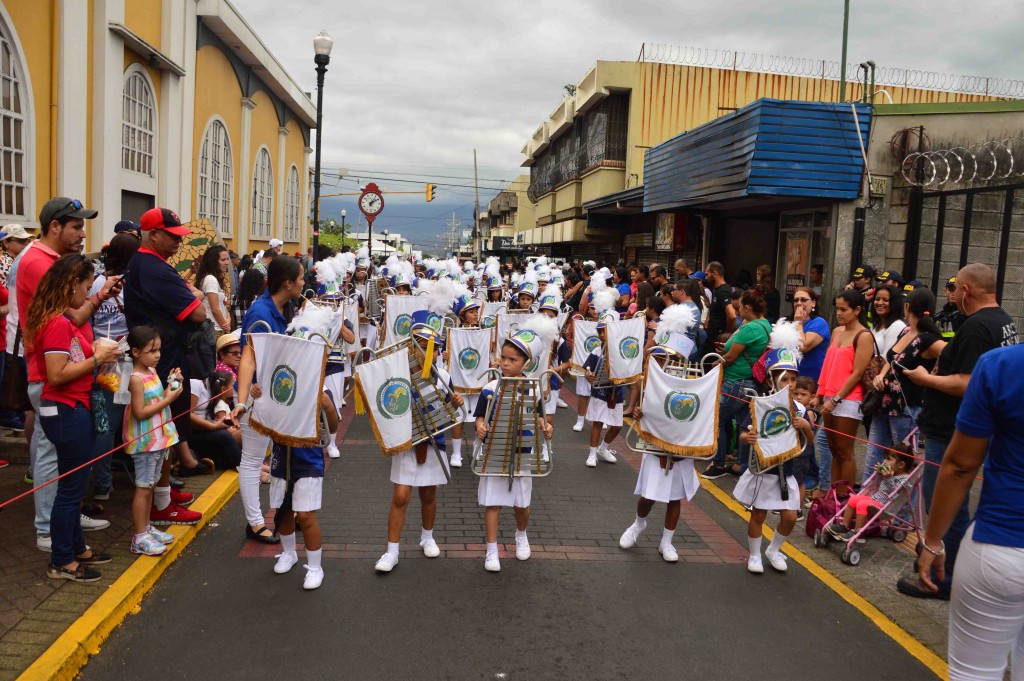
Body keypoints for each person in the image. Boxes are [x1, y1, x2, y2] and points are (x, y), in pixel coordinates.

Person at [899, 263, 1019, 600]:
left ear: (966, 291)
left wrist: (925, 379)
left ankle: (944, 576)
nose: (952, 296)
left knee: (946, 503)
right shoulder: (1003, 320)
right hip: (964, 425)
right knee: (952, 502)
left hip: (953, 427)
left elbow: (969, 383)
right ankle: (942, 562)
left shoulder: (978, 326)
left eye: (955, 290)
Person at [20, 198, 122, 552]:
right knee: (52, 457)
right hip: (51, 379)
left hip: (63, 376)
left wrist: (97, 296)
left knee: (67, 461)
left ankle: (63, 519)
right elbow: (70, 317)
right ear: (55, 227)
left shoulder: (52, 261)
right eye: (77, 226)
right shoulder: (37, 262)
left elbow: (74, 314)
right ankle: (50, 530)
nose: (82, 233)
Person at [916, 343, 1024, 679]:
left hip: (1003, 542)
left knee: (975, 674)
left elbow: (961, 465)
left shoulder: (1003, 364)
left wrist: (933, 541)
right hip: (1003, 546)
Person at [123, 207, 208, 529]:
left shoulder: (152, 265)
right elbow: (198, 314)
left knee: (170, 428)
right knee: (163, 428)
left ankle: (164, 494)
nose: (177, 243)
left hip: (165, 354)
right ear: (153, 235)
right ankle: (162, 503)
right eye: (171, 237)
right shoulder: (153, 268)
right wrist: (194, 297)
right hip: (161, 359)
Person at [374, 320, 465, 573]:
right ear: (411, 349)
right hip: (408, 442)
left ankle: (427, 537)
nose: (428, 353)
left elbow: (447, 407)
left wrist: (455, 401)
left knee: (428, 494)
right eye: (421, 347)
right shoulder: (398, 374)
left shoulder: (443, 375)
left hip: (434, 441)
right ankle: (391, 551)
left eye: (433, 348)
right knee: (401, 496)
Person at [231, 256, 306, 545]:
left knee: (282, 456)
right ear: (287, 283)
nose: (303, 283)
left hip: (279, 396)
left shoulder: (286, 308)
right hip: (256, 396)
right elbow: (250, 358)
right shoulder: (260, 312)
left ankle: (286, 513)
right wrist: (245, 394)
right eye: (300, 278)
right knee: (252, 458)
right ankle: (255, 523)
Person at [475, 329, 553, 572]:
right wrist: (479, 427)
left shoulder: (534, 388)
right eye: (503, 358)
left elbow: (541, 418)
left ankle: (521, 535)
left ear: (525, 363)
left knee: (522, 504)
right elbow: (479, 417)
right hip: (494, 451)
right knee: (493, 503)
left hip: (523, 452)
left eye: (513, 360)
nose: (505, 363)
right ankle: (491, 550)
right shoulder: (490, 387)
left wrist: (546, 427)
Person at [620, 347, 702, 564]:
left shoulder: (693, 383)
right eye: (653, 359)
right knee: (648, 496)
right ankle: (638, 524)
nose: (656, 363)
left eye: (661, 358)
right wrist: (638, 412)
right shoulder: (651, 383)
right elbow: (648, 411)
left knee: (675, 498)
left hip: (681, 448)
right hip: (656, 447)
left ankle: (667, 541)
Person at [733, 358, 812, 574]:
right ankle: (755, 555)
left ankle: (774, 550)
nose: (790, 384)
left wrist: (805, 426)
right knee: (758, 514)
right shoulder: (760, 404)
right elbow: (742, 433)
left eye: (793, 379)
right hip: (764, 470)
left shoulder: (800, 409)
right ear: (772, 381)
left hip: (786, 472)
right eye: (784, 379)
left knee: (790, 517)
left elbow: (809, 441)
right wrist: (746, 437)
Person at [864, 288, 943, 482]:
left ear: (907, 307)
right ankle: (866, 500)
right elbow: (892, 359)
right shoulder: (906, 331)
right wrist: (881, 375)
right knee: (874, 456)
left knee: (903, 463)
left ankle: (904, 511)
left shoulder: (927, 339)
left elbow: (951, 354)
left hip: (905, 408)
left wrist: (931, 377)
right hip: (883, 404)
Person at [89, 233, 140, 503]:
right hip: (120, 360)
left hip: (97, 356)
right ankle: (103, 483)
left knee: (105, 422)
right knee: (109, 423)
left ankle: (103, 481)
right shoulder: (131, 284)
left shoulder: (97, 282)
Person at [270, 389, 339, 590]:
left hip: (308, 459)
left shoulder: (319, 386)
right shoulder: (276, 380)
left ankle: (315, 567)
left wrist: (327, 405)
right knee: (282, 510)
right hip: (281, 457)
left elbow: (332, 427)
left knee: (306, 516)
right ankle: (289, 553)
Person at [123, 326, 182, 557]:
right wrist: (169, 398)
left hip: (158, 438)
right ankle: (139, 536)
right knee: (143, 487)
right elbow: (139, 412)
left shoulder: (150, 371)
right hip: (145, 441)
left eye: (158, 350)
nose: (157, 355)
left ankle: (146, 528)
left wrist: (171, 384)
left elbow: (158, 398)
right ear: (136, 351)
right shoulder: (136, 378)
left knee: (150, 485)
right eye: (151, 350)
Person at [703, 291, 771, 479]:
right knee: (745, 426)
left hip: (736, 382)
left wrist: (716, 363)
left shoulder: (751, 328)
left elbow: (731, 357)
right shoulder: (763, 324)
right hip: (748, 383)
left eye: (739, 307)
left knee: (717, 421)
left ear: (747, 307)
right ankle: (741, 465)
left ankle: (718, 463)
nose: (737, 310)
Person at [816, 289, 874, 493]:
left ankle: (843, 498)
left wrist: (836, 399)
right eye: (837, 309)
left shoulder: (864, 335)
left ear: (857, 310)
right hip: (830, 396)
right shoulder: (837, 332)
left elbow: (858, 373)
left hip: (850, 399)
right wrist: (820, 394)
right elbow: (827, 365)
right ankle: (833, 495)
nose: (839, 313)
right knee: (833, 448)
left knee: (844, 450)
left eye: (844, 309)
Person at [826, 446, 913, 544]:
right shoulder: (890, 473)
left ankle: (858, 533)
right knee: (853, 499)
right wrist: (879, 474)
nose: (884, 461)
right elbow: (879, 486)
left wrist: (888, 478)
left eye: (888, 459)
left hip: (885, 506)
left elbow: (896, 493)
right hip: (875, 499)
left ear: (901, 464)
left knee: (862, 504)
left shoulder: (904, 479)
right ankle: (844, 525)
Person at [583, 315, 624, 467]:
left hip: (616, 393)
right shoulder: (596, 350)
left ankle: (603, 448)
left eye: (604, 331)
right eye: (599, 331)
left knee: (617, 425)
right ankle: (592, 454)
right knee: (598, 422)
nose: (601, 335)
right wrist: (589, 375)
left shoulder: (622, 351)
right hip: (599, 392)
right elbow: (587, 369)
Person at [194, 245, 232, 334]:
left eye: (227, 259)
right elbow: (215, 309)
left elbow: (222, 306)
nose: (227, 263)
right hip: (214, 330)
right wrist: (226, 329)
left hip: (219, 328)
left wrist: (228, 318)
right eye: (223, 260)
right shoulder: (210, 279)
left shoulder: (214, 279)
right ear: (213, 262)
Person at [702, 262, 735, 356]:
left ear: (715, 273)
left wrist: (727, 333)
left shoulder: (723, 291)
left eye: (707, 274)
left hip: (717, 336)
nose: (706, 277)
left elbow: (732, 316)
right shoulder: (716, 289)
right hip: (711, 334)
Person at [870, 285, 907, 358]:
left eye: (885, 300)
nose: (880, 303)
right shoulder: (874, 326)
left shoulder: (897, 326)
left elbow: (887, 358)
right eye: (877, 299)